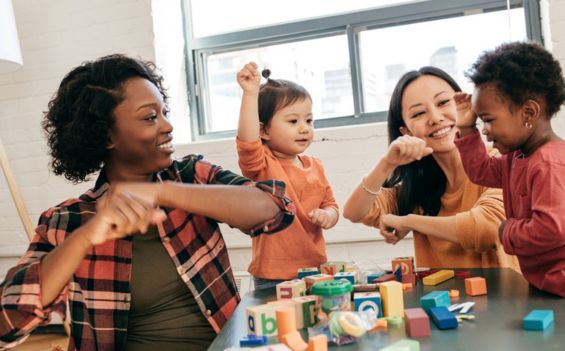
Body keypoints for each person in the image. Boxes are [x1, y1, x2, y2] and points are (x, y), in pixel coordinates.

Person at [0, 55, 295, 351]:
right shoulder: (66, 221)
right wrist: (84, 238)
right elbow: (7, 322)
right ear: (106, 135)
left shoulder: (191, 176)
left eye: (164, 112)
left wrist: (162, 192)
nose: (167, 126)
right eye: (150, 117)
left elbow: (273, 209)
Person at [454, 41, 565, 326]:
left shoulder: (551, 163)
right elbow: (481, 170)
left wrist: (506, 230)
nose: (485, 130)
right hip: (560, 286)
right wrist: (465, 128)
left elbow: (551, 229)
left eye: (488, 120)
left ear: (528, 113)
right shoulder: (518, 156)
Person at [343, 67, 518, 270]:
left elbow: (488, 228)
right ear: (406, 131)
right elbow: (354, 212)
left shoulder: (499, 162)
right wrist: (387, 164)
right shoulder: (417, 188)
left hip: (504, 300)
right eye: (418, 113)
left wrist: (410, 221)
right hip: (441, 302)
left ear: (464, 104)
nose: (435, 118)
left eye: (443, 102)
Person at [236, 62, 339, 289]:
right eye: (293, 121)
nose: (304, 128)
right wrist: (250, 94)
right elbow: (247, 141)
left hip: (315, 270)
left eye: (309, 120)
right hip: (273, 275)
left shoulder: (316, 166)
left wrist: (328, 215)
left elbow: (331, 205)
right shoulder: (262, 165)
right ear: (263, 130)